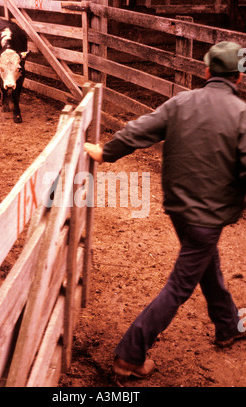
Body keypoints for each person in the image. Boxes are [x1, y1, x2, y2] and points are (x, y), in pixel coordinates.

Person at [84, 41, 246, 379]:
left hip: (178, 207)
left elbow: (138, 130)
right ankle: (130, 355)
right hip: (209, 216)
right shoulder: (242, 115)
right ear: (239, 78)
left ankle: (228, 325)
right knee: (180, 285)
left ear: (206, 72)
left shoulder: (181, 102)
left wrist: (105, 152)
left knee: (206, 263)